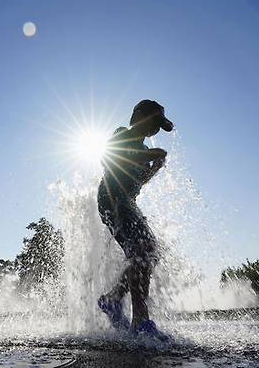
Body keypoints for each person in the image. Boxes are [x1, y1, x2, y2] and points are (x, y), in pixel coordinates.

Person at [97, 99, 173, 340]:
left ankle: (113, 299)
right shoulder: (122, 134)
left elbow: (138, 183)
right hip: (113, 200)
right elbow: (110, 156)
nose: (155, 130)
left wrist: (155, 168)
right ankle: (140, 319)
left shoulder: (141, 151)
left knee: (147, 253)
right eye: (154, 122)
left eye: (159, 126)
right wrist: (150, 155)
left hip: (127, 202)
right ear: (139, 116)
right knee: (142, 250)